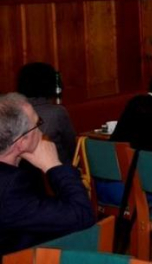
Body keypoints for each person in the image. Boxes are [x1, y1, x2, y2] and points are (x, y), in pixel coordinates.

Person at [0, 93, 94, 255]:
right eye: (38, 124)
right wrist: (54, 166)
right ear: (22, 142)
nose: (41, 130)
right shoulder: (11, 187)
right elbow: (83, 215)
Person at [16, 62, 76, 164]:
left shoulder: (12, 110)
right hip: (54, 171)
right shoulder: (57, 112)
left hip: (19, 173)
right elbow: (72, 147)